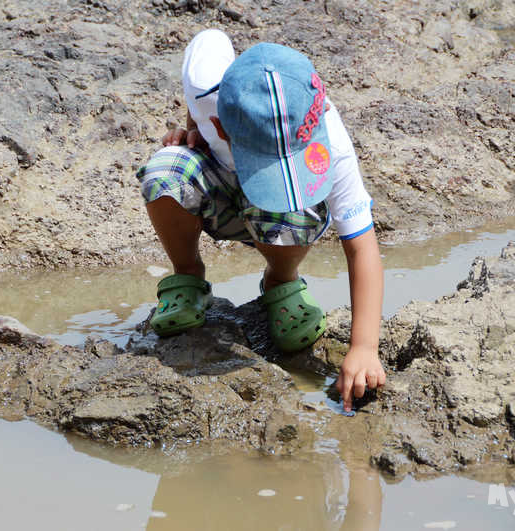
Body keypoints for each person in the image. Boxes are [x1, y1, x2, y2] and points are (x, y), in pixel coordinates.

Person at [136, 29, 385, 412]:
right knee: (164, 169)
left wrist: (364, 348)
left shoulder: (329, 145)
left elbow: (362, 245)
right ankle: (187, 273)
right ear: (221, 125)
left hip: (280, 222)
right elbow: (203, 62)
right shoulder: (207, 83)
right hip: (221, 195)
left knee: (293, 207)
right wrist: (191, 129)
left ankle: (281, 281)